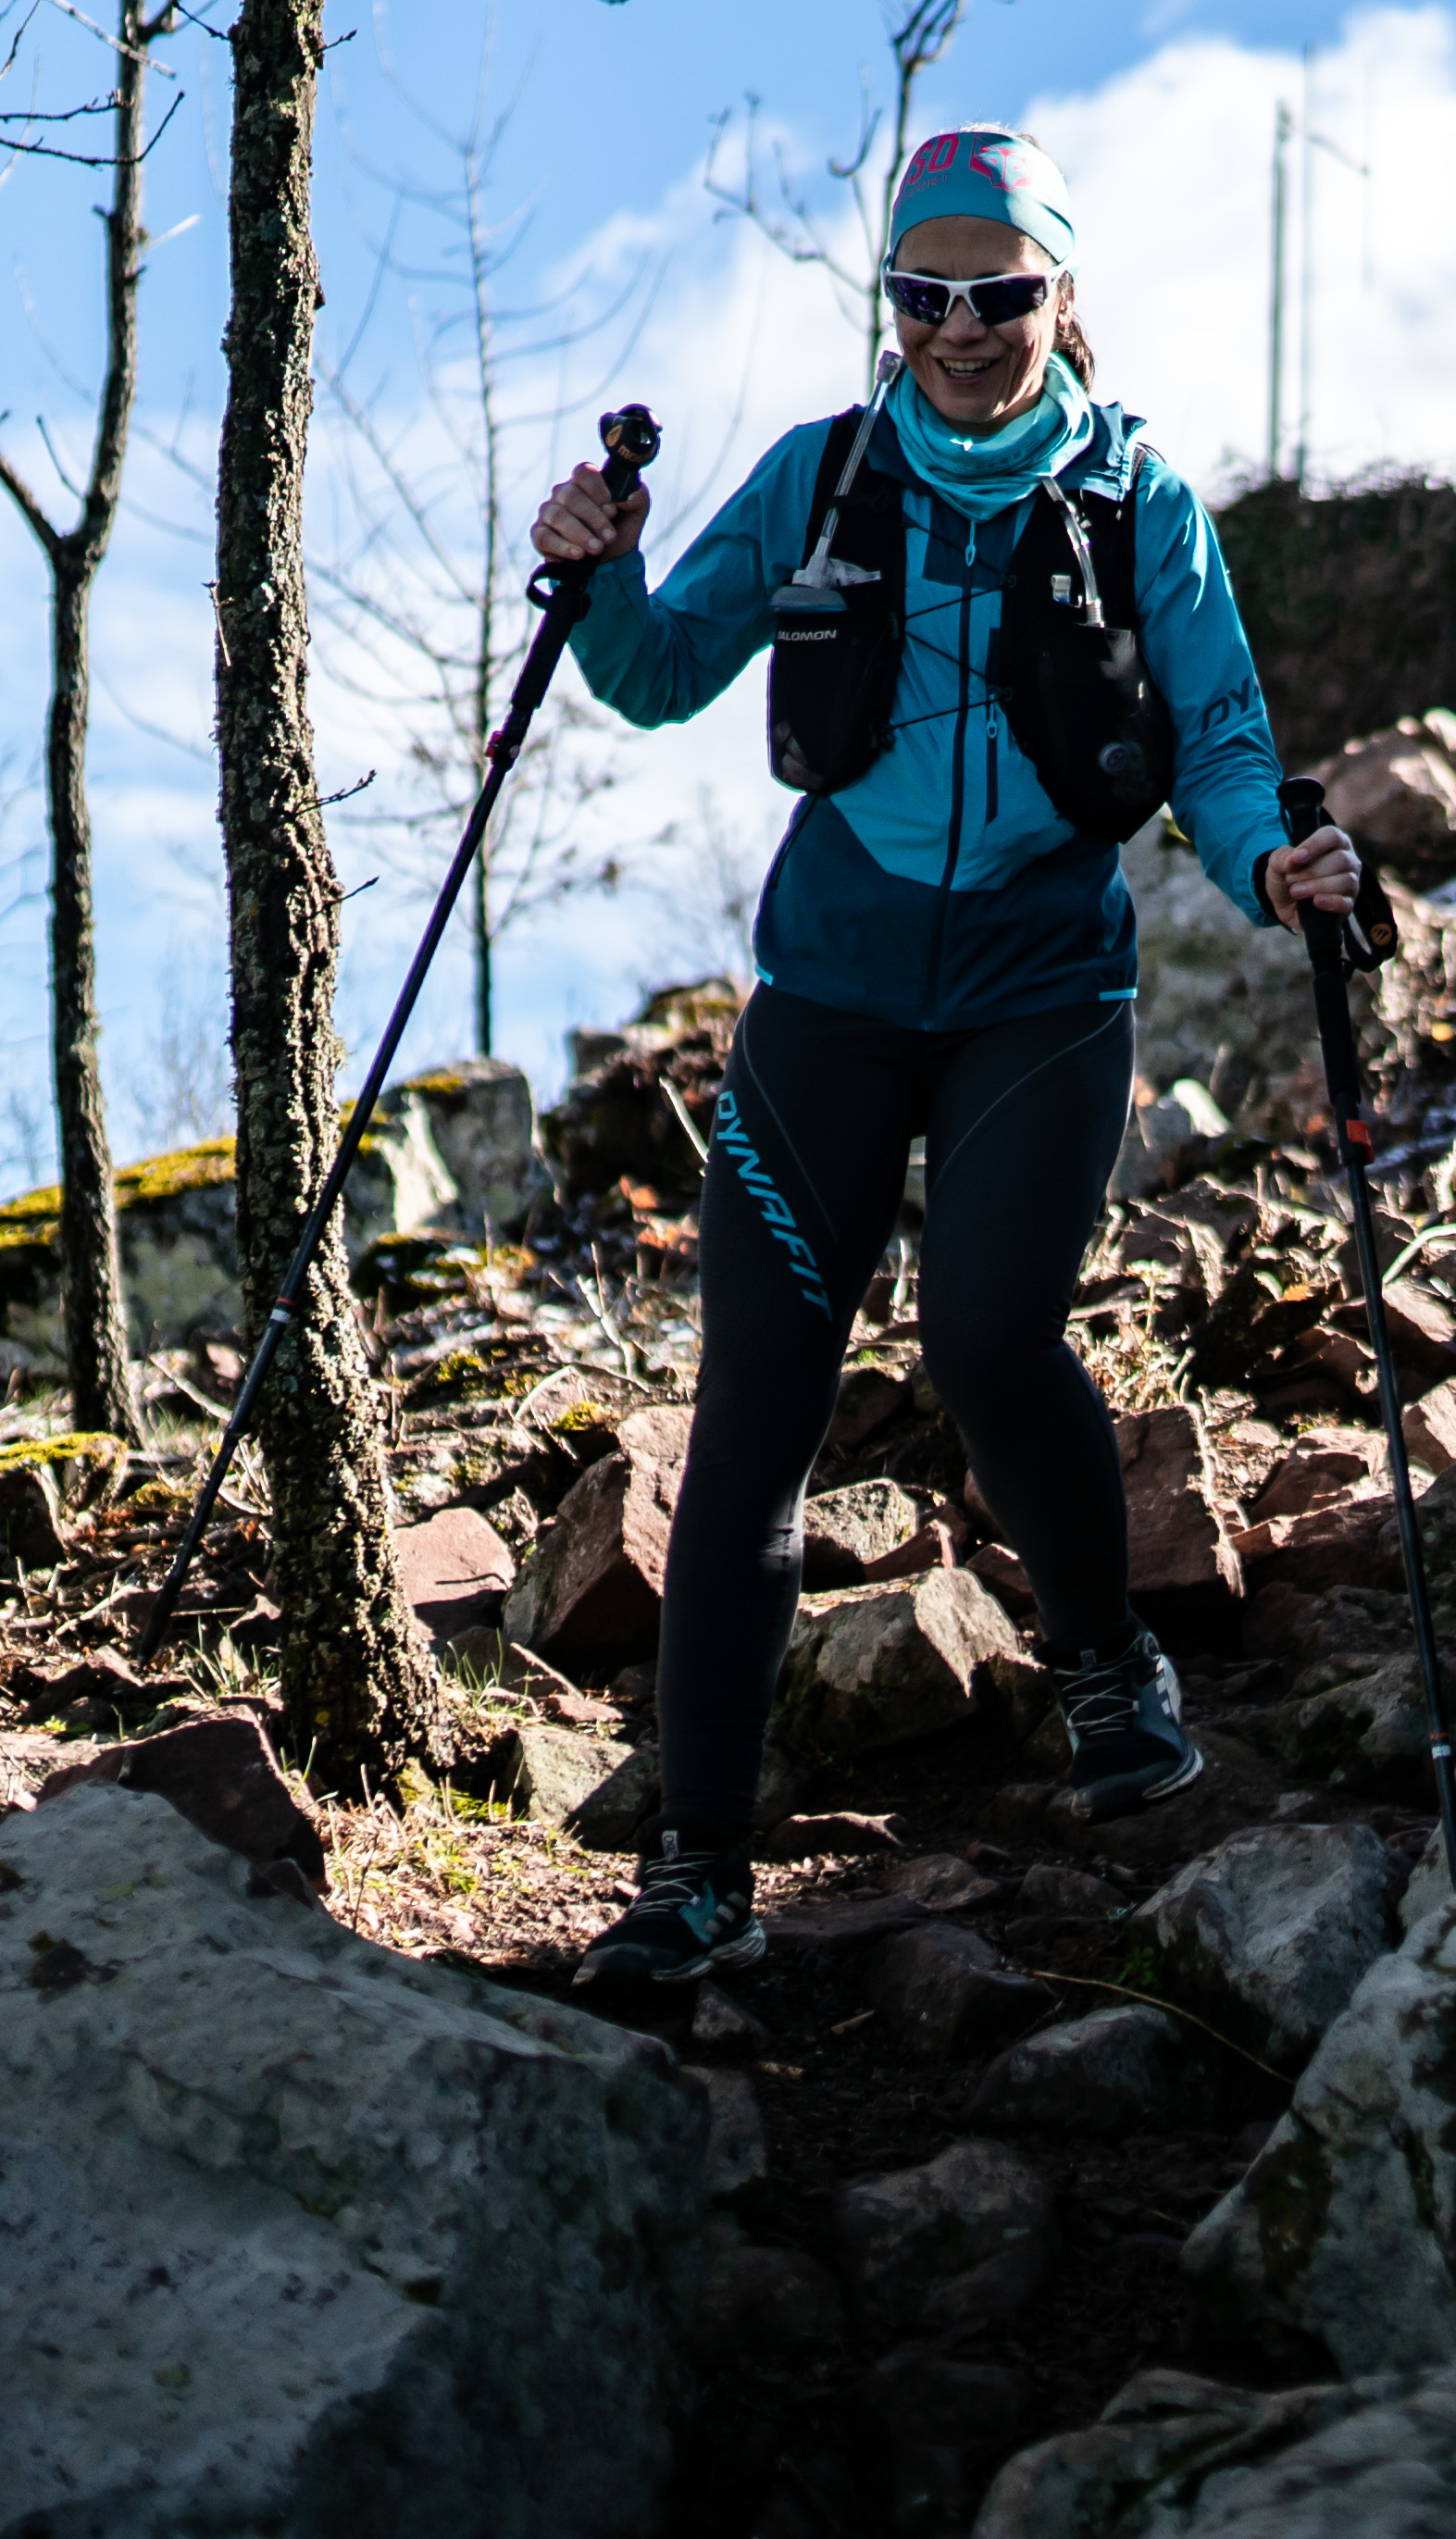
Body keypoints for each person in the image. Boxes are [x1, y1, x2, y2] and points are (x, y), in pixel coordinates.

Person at [542, 124, 1359, 1992]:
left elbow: (1223, 745)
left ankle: (1104, 1662)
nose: (966, 325)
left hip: (1037, 988)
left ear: (1064, 298)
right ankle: (692, 1869)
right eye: (929, 293)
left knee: (990, 1337)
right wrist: (598, 569)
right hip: (824, 993)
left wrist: (1275, 864)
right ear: (889, 305)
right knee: (754, 1410)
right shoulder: (825, 477)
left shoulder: (1137, 499)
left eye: (1003, 291)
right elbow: (664, 669)